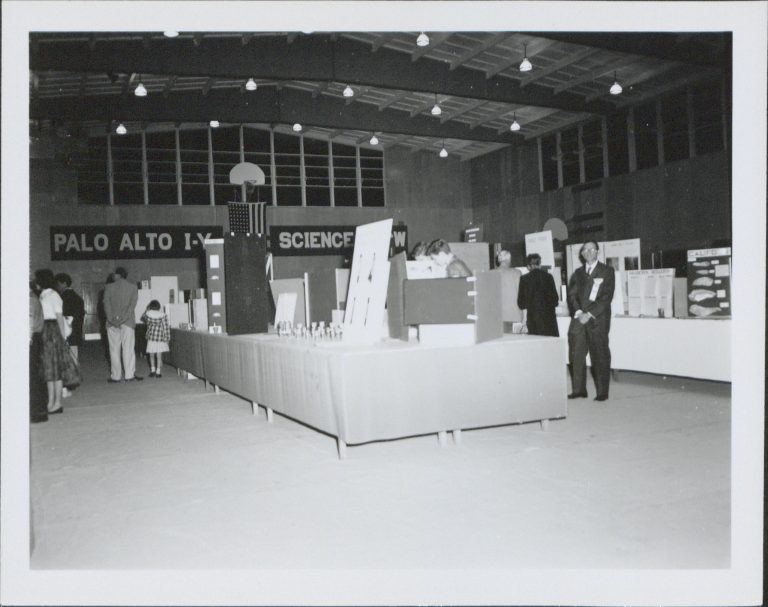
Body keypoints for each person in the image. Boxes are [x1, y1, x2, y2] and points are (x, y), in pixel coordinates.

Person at [566, 241, 615, 401]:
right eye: (584, 250)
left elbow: (606, 297)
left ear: (597, 252)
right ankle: (579, 389)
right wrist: (579, 312)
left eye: (591, 249)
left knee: (599, 355)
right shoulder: (578, 273)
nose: (588, 252)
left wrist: (590, 313)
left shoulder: (607, 271)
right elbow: (572, 296)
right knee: (576, 354)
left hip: (597, 320)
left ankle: (602, 392)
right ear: (581, 254)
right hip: (579, 319)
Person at [35, 268, 80, 414]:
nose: (35, 282)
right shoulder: (43, 295)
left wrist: (62, 336)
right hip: (45, 330)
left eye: (37, 279)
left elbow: (59, 317)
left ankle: (57, 403)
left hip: (53, 331)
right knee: (49, 370)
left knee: (56, 369)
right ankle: (50, 402)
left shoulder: (54, 295)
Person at [103, 267, 143, 383]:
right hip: (127, 322)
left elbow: (106, 305)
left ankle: (115, 376)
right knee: (128, 349)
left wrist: (112, 320)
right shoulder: (133, 287)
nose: (112, 276)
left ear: (118, 275)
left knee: (114, 350)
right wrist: (122, 320)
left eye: (114, 274)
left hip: (111, 324)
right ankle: (129, 375)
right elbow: (131, 307)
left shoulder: (108, 287)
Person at [517, 253, 560, 337]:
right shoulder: (549, 277)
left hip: (534, 321)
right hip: (549, 321)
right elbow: (555, 301)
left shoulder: (524, 279)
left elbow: (521, 304)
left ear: (528, 266)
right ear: (540, 264)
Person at [29, 280, 48, 423]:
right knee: (36, 374)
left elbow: (30, 323)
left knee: (33, 376)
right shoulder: (34, 298)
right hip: (35, 338)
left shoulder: (30, 300)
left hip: (31, 339)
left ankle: (37, 411)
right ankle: (40, 410)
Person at [141, 300, 171, 378]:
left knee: (151, 354)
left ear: (150, 306)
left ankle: (152, 370)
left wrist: (147, 309)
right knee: (159, 356)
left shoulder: (148, 314)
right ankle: (158, 372)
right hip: (160, 337)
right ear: (159, 307)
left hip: (151, 337)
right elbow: (166, 327)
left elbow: (143, 317)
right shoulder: (163, 315)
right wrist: (167, 337)